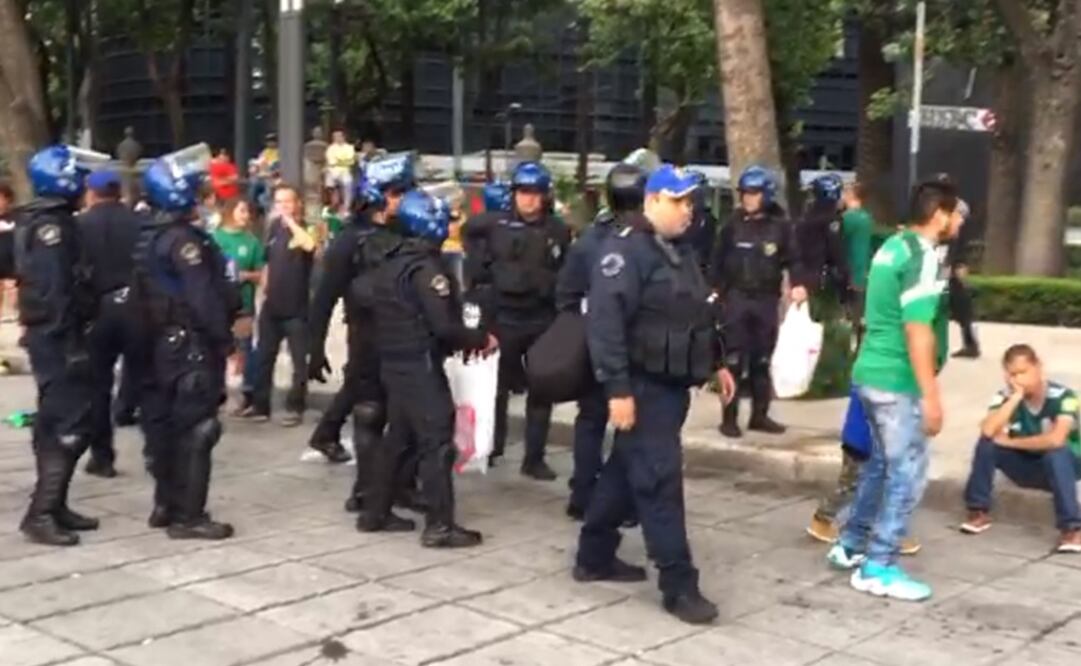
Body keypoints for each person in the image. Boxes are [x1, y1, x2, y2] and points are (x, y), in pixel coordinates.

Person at [575, 164, 736, 625]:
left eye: (691, 202)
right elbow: (604, 325)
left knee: (626, 471)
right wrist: (618, 390)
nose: (689, 210)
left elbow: (696, 312)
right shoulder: (625, 252)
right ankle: (678, 584)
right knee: (660, 482)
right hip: (643, 386)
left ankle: (594, 555)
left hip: (671, 385)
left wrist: (717, 362)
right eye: (680, 201)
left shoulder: (677, 250)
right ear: (653, 201)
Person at [826, 178, 964, 602]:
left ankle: (851, 544)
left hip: (869, 373)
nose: (960, 221)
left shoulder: (893, 247)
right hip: (897, 381)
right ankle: (879, 564)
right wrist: (931, 395)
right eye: (956, 212)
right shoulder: (922, 256)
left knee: (881, 465)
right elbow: (917, 328)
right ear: (938, 214)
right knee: (908, 472)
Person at [353, 189, 496, 546]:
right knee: (436, 443)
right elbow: (443, 326)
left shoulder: (390, 262)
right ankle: (440, 525)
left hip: (394, 362)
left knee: (399, 439)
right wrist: (479, 338)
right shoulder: (427, 270)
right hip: (420, 364)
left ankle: (375, 511)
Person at [134, 144, 240, 540]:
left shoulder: (147, 235)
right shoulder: (184, 242)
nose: (202, 197)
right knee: (198, 429)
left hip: (156, 346)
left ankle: (167, 503)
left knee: (163, 428)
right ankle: (189, 515)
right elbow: (202, 298)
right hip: (188, 347)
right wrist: (224, 339)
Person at [462, 161, 571, 479]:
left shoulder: (557, 230)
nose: (529, 200)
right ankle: (491, 446)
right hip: (503, 317)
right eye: (523, 192)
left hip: (540, 318)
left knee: (542, 387)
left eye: (536, 193)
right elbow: (468, 236)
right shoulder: (493, 225)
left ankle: (534, 457)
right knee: (497, 389)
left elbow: (566, 272)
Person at [15, 145, 101, 546]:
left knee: (62, 419)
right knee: (68, 423)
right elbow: (55, 292)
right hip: (56, 337)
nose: (85, 185)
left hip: (52, 334)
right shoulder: (52, 228)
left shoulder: (45, 219)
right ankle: (42, 512)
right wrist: (70, 342)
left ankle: (57, 504)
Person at [308, 154, 415, 469]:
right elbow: (324, 297)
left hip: (401, 337)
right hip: (366, 333)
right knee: (368, 404)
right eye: (397, 193)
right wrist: (315, 349)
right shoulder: (350, 240)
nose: (404, 200)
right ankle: (366, 491)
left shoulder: (403, 231)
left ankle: (329, 435)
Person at [556, 163, 647, 520]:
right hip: (634, 351)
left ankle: (583, 494)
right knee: (629, 427)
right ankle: (617, 501)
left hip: (597, 346)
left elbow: (565, 294)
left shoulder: (591, 240)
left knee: (591, 421)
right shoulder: (645, 241)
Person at [711, 165, 806, 438]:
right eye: (745, 194)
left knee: (762, 360)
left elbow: (794, 259)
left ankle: (760, 416)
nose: (748, 199)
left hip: (766, 299)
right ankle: (729, 419)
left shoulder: (781, 226)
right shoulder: (732, 225)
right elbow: (717, 259)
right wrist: (714, 290)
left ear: (767, 194)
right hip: (737, 299)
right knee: (733, 360)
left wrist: (799, 284)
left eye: (754, 194)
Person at [961, 344, 1081, 552]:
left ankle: (1072, 528)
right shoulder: (1005, 396)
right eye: (1012, 374)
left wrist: (1010, 442)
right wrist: (1015, 398)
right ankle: (978, 510)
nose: (1017, 380)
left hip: (1066, 467)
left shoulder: (1065, 397)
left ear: (1038, 367)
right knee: (987, 443)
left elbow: (1056, 439)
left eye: (1023, 372)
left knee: (1056, 453)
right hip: (1026, 465)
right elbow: (988, 430)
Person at [79, 170, 143, 479]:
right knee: (144, 374)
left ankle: (102, 455)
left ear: (91, 193)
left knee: (97, 385)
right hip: (137, 304)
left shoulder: (81, 225)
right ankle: (157, 449)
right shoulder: (138, 221)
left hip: (98, 308)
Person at [806, 388, 921, 555]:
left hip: (861, 436)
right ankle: (823, 520)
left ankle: (886, 531)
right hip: (866, 439)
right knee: (856, 485)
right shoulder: (882, 377)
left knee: (863, 485)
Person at [241, 184, 316, 426]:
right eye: (279, 202)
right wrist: (264, 289)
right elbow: (267, 262)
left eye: (288, 201)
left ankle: (295, 406)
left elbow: (309, 246)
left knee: (298, 362)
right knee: (264, 357)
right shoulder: (272, 228)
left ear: (297, 204)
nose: (283, 206)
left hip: (296, 307)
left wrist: (291, 222)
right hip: (272, 305)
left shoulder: (305, 227)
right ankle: (261, 405)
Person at [211, 198, 265, 412]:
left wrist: (247, 275)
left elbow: (262, 273)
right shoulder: (215, 239)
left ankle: (249, 393)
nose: (246, 215)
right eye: (242, 210)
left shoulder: (251, 241)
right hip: (218, 305)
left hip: (243, 305)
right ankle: (216, 392)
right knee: (217, 348)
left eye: (248, 211)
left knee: (245, 348)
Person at [797, 174, 849, 298]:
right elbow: (834, 248)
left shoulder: (807, 216)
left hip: (804, 272)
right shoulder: (831, 219)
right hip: (822, 276)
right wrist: (844, 271)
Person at [841, 182, 874, 347]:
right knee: (859, 315)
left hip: (850, 272)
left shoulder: (847, 219)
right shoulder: (867, 218)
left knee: (847, 315)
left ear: (851, 196)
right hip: (864, 272)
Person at [947, 199, 980, 359]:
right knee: (962, 309)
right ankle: (971, 344)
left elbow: (960, 246)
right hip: (952, 266)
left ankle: (971, 345)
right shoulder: (954, 206)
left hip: (954, 267)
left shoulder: (957, 209)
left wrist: (960, 264)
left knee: (963, 308)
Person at [325, 130, 356, 211]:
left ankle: (347, 207)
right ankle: (333, 205)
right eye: (335, 137)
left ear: (343, 137)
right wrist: (343, 161)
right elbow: (331, 162)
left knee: (348, 182)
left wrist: (338, 161)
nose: (337, 138)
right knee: (330, 180)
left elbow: (351, 161)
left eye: (339, 136)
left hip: (345, 172)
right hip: (333, 172)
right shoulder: (330, 148)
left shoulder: (350, 147)